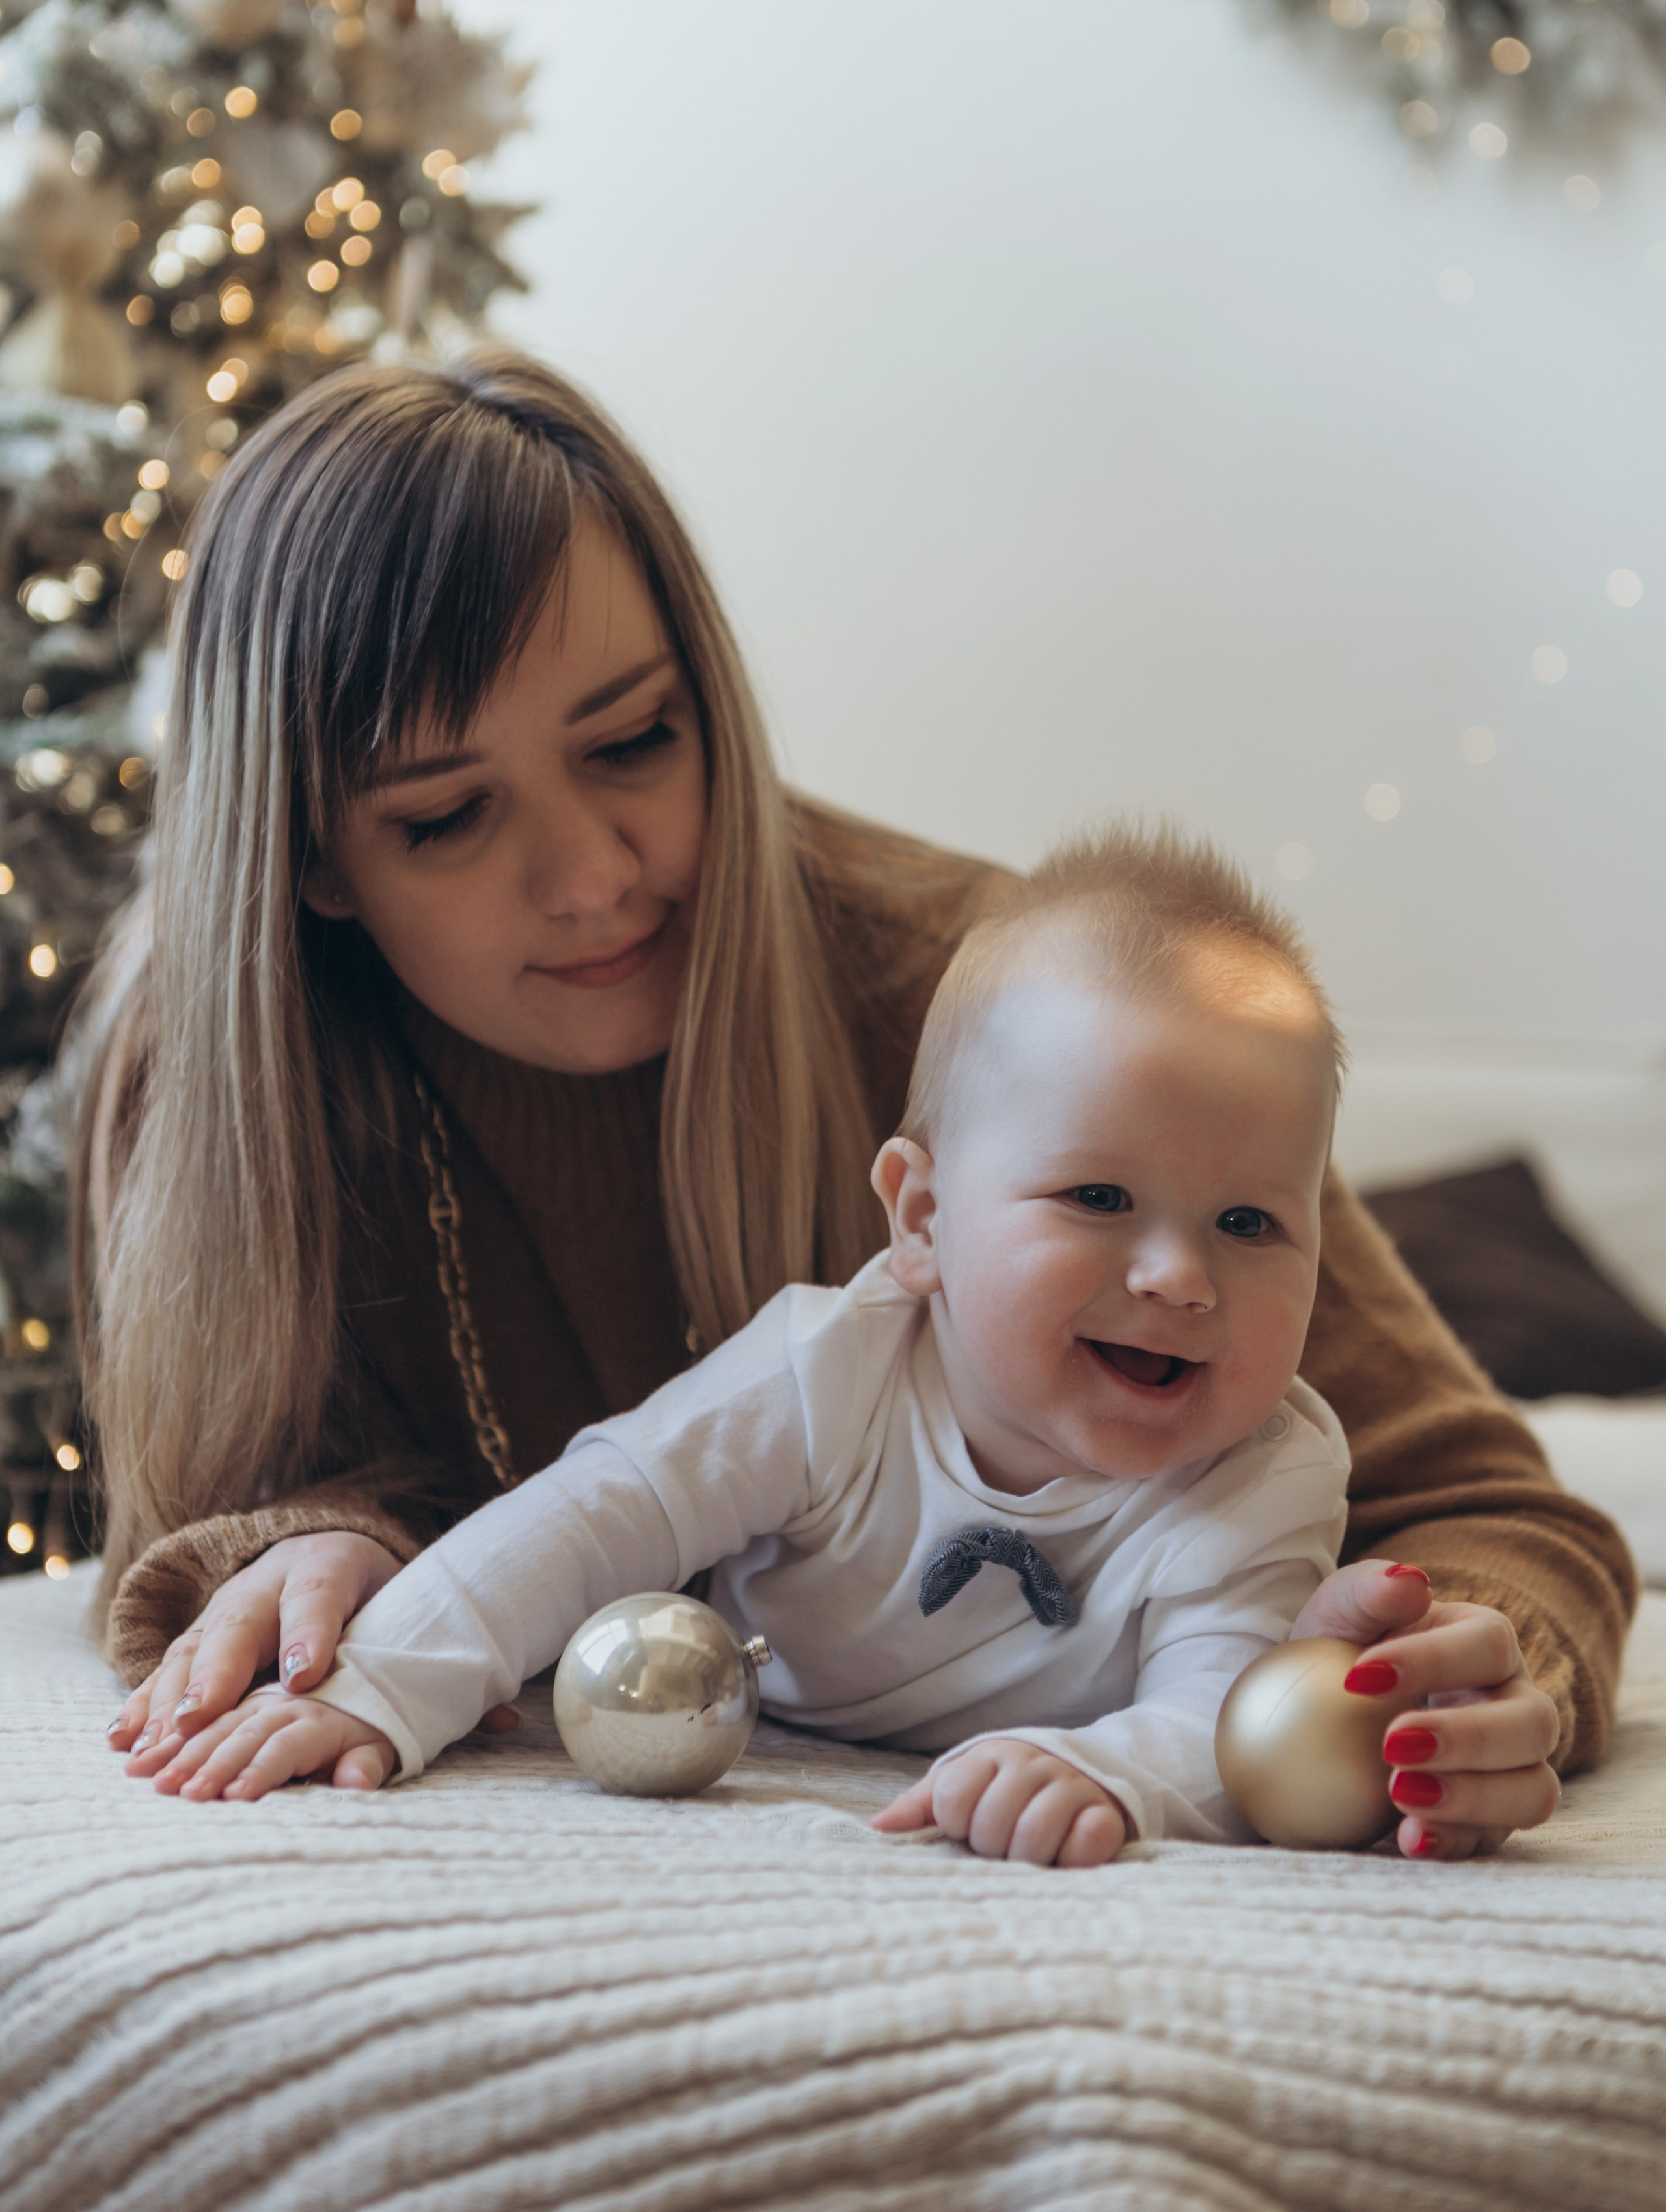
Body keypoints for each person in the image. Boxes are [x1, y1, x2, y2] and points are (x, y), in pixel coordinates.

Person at [92, 350, 1633, 1864]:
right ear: (306, 860)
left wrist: (1459, 1685)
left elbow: (1497, 1515)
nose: (592, 877)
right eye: (443, 816)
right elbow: (259, 1509)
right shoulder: (218, 1068)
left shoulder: (1017, 1006)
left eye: (634, 740)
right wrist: (307, 1560)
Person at [127, 828, 1369, 1867]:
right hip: (744, 1684)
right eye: (1097, 1199)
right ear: (924, 1219)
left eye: (1250, 1223)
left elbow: (1230, 1724)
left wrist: (1104, 1772)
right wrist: (384, 1687)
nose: (1179, 1277)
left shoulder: (1268, 1472)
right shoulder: (832, 1369)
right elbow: (598, 1512)